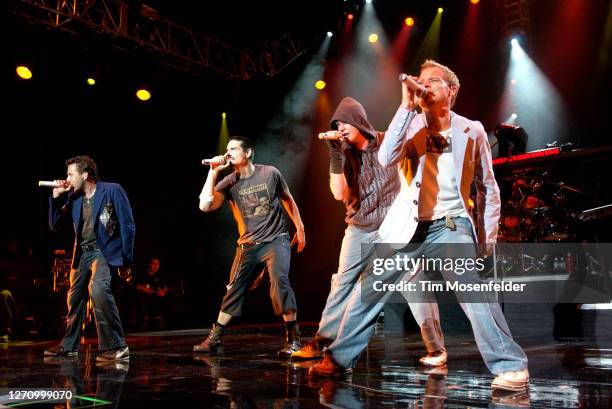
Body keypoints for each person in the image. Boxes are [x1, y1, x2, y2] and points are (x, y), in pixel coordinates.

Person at [310, 60, 529, 392]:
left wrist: (487, 239)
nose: (424, 85)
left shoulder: (473, 130)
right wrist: (405, 105)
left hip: (451, 225)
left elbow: (488, 187)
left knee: (474, 291)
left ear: (451, 90)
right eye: (420, 81)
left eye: (433, 81)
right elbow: (384, 158)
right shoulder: (409, 124)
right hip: (406, 227)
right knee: (368, 288)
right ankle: (339, 358)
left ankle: (510, 365)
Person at [291, 97, 447, 367]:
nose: (340, 128)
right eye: (336, 124)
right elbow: (339, 193)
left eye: (343, 122)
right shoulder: (343, 153)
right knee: (343, 282)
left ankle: (436, 349)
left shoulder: (389, 141)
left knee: (414, 282)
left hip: (396, 226)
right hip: (360, 227)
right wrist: (335, 154)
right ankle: (324, 341)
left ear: (359, 121)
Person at [194, 136, 306, 356]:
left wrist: (300, 228)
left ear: (248, 153)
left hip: (276, 239)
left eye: (234, 149)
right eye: (227, 149)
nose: (229, 153)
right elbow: (205, 206)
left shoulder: (270, 173)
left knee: (279, 280)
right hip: (248, 244)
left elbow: (287, 198)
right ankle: (214, 338)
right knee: (233, 289)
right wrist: (214, 171)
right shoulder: (229, 182)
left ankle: (293, 339)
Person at [44, 155, 135, 362]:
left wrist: (126, 260)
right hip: (83, 252)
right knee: (74, 296)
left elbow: (128, 226)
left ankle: (116, 347)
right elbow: (54, 224)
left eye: (70, 174)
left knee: (98, 289)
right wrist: (56, 196)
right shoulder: (73, 196)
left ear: (85, 174)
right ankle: (69, 346)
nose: (66, 177)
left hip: (104, 251)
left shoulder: (112, 190)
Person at [135, 256, 169, 329]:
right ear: (150, 264)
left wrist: (164, 290)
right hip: (147, 297)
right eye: (154, 263)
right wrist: (154, 291)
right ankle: (145, 320)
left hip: (158, 298)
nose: (156, 266)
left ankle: (161, 320)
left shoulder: (161, 275)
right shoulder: (144, 275)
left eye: (158, 264)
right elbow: (138, 286)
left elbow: (165, 286)